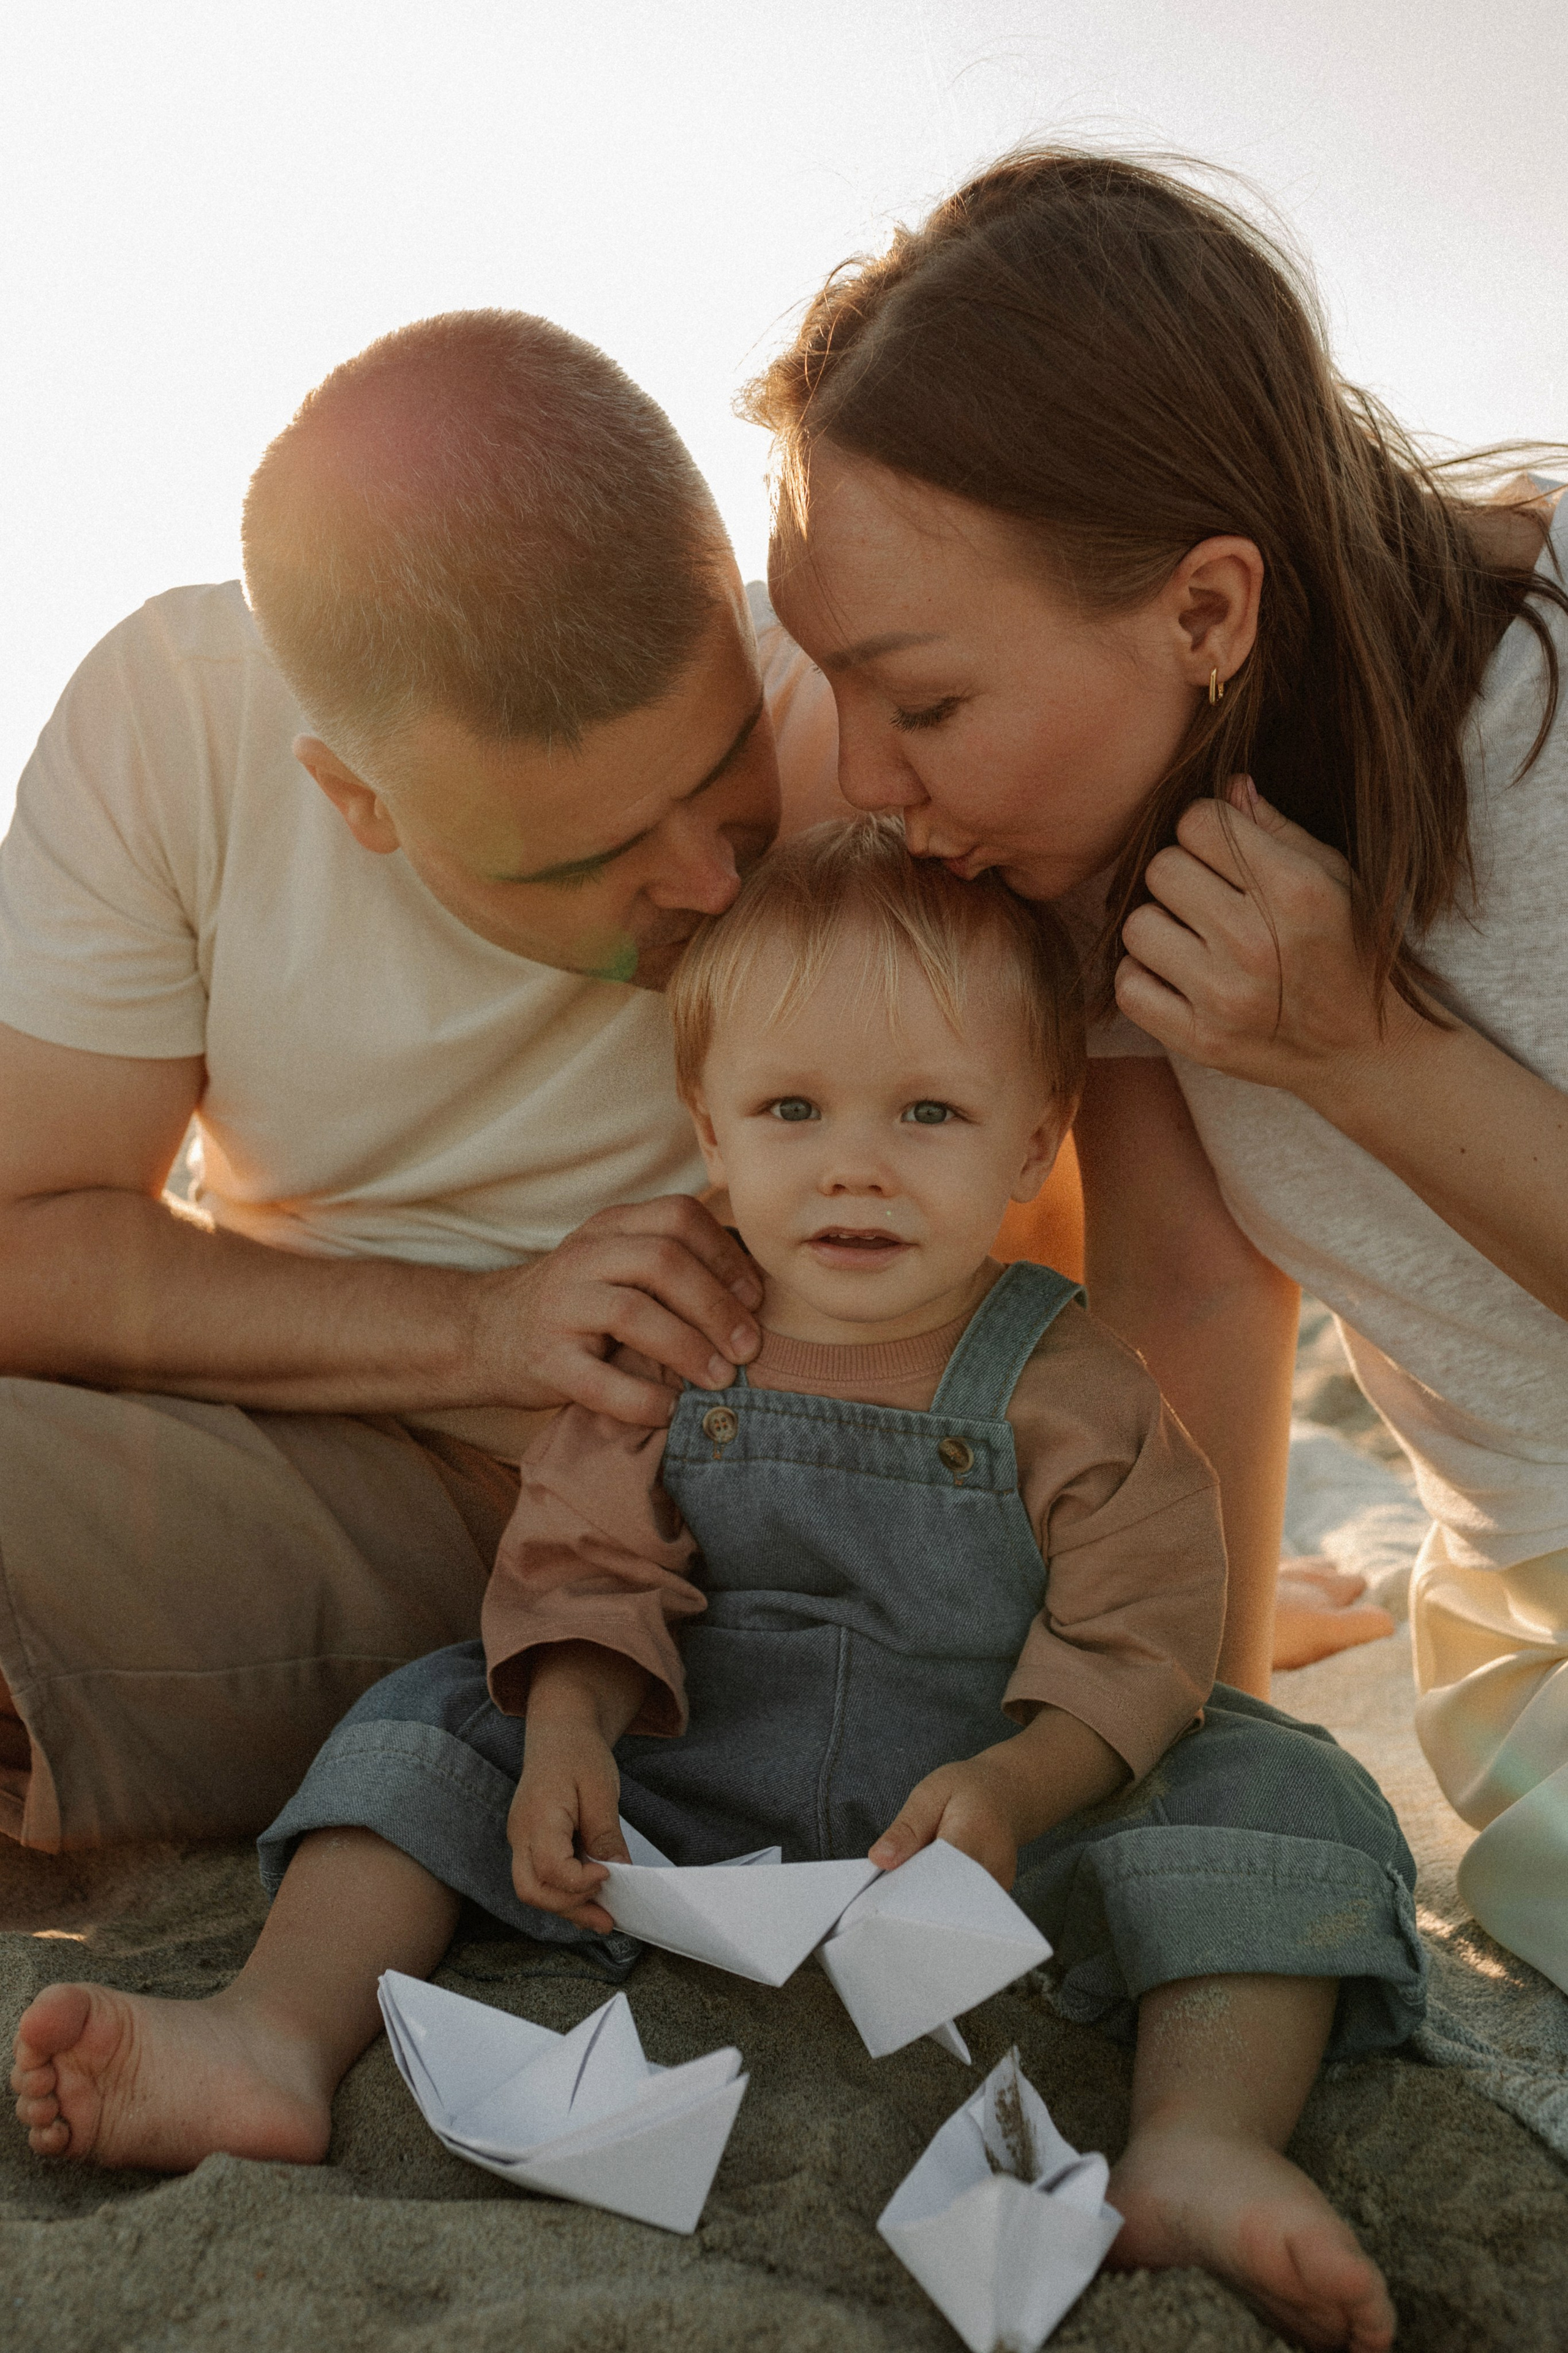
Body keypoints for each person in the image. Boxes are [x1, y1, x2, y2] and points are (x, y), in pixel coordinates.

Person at [15, 820, 1420, 2353]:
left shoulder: (1064, 1381)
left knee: (1282, 1791)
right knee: (426, 1720)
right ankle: (271, 2033)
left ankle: (1201, 2138)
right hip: (686, 1783)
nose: (853, 1164)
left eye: (930, 1111)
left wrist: (1024, 1781)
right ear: (710, 1128)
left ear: (1032, 1143)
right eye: (791, 1109)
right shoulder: (687, 1329)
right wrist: (564, 1730)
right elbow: (586, 1557)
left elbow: (1137, 1631)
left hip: (983, 1825)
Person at [743, 151, 1568, 1992]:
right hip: (1535, 1633)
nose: (869, 775)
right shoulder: (1084, 835)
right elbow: (1196, 1292)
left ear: (1205, 612)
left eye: (927, 701)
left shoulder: (1540, 717)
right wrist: (1182, 1772)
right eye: (838, 687)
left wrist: (1364, 1050)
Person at [0, 308, 852, 1853]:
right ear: (355, 799)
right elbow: (28, 1235)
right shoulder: (175, 717)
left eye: (719, 768)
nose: (712, 888)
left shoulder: (855, 723)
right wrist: (482, 1324)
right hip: (276, 1434)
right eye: (587, 856)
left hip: (628, 1525)